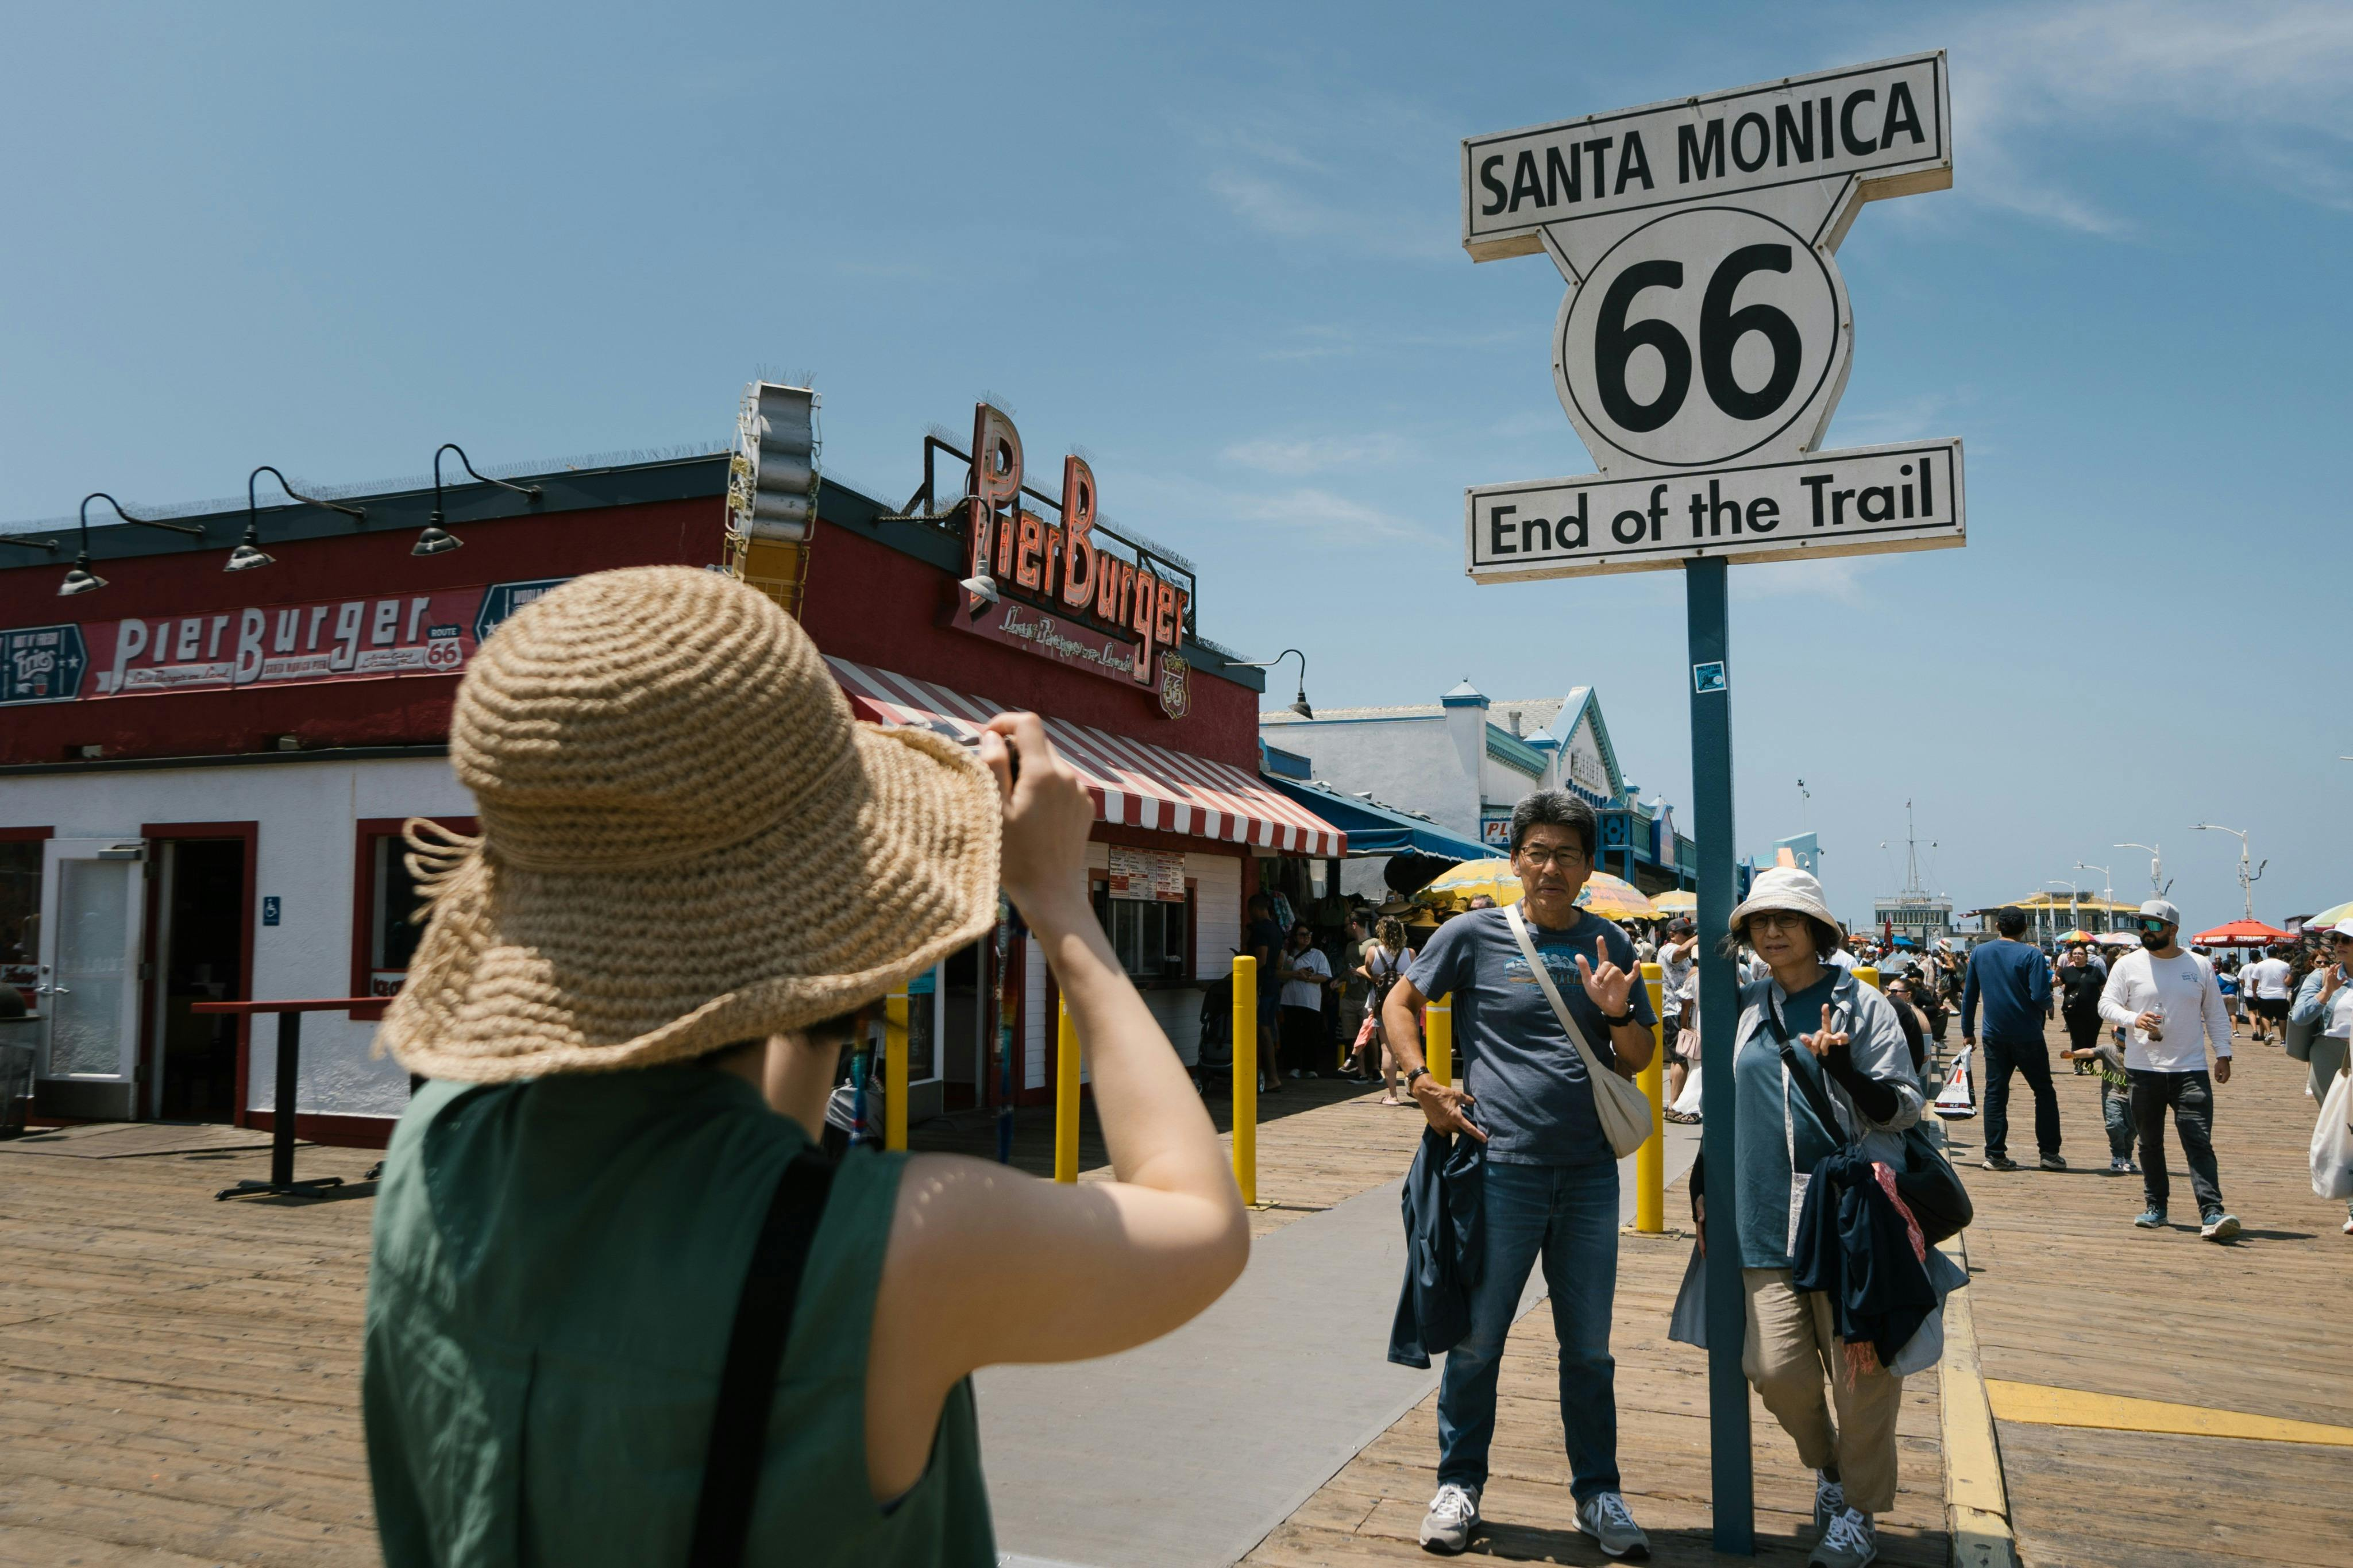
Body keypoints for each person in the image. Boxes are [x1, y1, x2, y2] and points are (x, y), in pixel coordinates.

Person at [361, 569, 1248, 1566]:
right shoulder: (906, 1247)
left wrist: (823, 980)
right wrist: (1062, 908)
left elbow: (750, 1164)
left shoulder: (437, 1147)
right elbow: (1202, 1226)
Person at [1380, 791, 1658, 1559]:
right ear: (1516, 860)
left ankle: (1598, 1494)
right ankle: (1458, 1483)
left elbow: (1638, 1058)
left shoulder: (1611, 944)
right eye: (1537, 851)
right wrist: (1423, 1080)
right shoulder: (1472, 935)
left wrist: (1613, 1011)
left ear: (1588, 868)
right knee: (1477, 1343)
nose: (1550, 866)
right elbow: (1402, 1001)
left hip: (1590, 1177)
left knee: (1589, 1349)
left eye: (1567, 854)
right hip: (1498, 1169)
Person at [1701, 868, 1924, 1568]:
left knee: (1863, 1379)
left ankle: (1858, 1509)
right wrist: (1703, 1190)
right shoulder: (1743, 1006)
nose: (1772, 932)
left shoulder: (1862, 1005)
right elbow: (1724, 1106)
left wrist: (1848, 1068)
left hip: (1847, 1223)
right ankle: (1830, 1471)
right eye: (1759, 922)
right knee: (1773, 1370)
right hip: (1763, 1220)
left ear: (1818, 931)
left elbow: (1904, 1106)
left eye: (1787, 921)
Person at [2097, 899, 2239, 1240]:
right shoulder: (2127, 965)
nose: (2146, 930)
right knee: (2149, 1142)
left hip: (2191, 1069)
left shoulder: (2200, 965)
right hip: (2143, 1069)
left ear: (2174, 930)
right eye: (2142, 925)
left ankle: (2212, 1211)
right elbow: (2106, 1005)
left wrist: (2224, 1054)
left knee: (2198, 1141)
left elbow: (2216, 1015)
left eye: (2155, 925)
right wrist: (2134, 1018)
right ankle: (2156, 1206)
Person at [1961, 907, 2062, 1173]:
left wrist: (1967, 1031)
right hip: (2028, 1034)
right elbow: (2040, 995)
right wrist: (2049, 1004)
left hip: (1993, 1035)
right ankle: (2049, 1154)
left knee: (1995, 1093)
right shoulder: (2032, 954)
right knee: (2044, 1092)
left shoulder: (1980, 953)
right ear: (2025, 928)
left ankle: (1995, 1155)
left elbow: (1969, 995)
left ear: (1998, 927)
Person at [2288, 918, 2353, 1235]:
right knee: (2343, 1131)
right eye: (2336, 939)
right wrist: (2327, 992)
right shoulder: (2320, 977)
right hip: (2331, 1058)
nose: (2339, 944)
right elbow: (2299, 1018)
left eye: (2347, 939)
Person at [1356, 916, 1415, 1104]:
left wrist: (1363, 972)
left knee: (1387, 1049)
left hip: (1381, 1005)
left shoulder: (1373, 952)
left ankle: (1392, 1096)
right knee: (1409, 1048)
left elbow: (1370, 973)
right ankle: (1412, 1084)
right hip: (1405, 1005)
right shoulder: (1411, 954)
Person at [1274, 921, 1337, 1079]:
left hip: (1310, 1000)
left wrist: (1307, 977)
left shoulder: (1317, 954)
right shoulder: (1287, 954)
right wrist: (1296, 974)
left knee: (1311, 1034)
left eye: (1309, 934)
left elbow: (1324, 976)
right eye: (1303, 935)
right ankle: (1293, 1067)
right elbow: (1278, 973)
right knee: (1291, 1034)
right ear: (1295, 937)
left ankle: (1310, 1068)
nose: (1306, 938)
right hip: (1290, 999)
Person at [1246, 893, 1287, 1095]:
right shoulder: (1277, 930)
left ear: (1255, 909)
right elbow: (1279, 961)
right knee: (1267, 1030)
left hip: (1261, 986)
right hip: (1273, 984)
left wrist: (1239, 972)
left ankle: (1272, 1077)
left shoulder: (1260, 929)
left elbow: (1260, 959)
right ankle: (1271, 1076)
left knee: (1262, 1031)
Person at [1660, 918, 1700, 1122]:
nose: (1689, 937)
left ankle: (1680, 1104)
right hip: (1673, 1011)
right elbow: (1681, 951)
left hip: (1683, 1012)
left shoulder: (1687, 957)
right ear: (1673, 935)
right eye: (1685, 933)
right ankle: (1674, 1105)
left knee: (1685, 1058)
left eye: (1690, 933)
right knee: (1681, 1059)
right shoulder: (1667, 950)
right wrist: (1700, 938)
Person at [2054, 944, 2107, 1077]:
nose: (2077, 956)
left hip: (2094, 1011)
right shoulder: (2066, 971)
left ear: (2086, 957)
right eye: (2075, 954)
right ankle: (2078, 1064)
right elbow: (2056, 984)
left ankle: (2089, 1063)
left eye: (2081, 954)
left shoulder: (2094, 971)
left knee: (2091, 1038)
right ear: (2071, 957)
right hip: (2073, 1012)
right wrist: (2054, 982)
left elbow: (2104, 988)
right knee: (2077, 1038)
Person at [2243, 944, 2293, 1045]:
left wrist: (2254, 993)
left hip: (2266, 995)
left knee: (2265, 1016)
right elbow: (2289, 980)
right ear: (2278, 954)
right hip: (2281, 995)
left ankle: (2269, 1033)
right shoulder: (2285, 965)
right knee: (2282, 1018)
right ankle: (2283, 1040)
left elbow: (2255, 981)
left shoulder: (2260, 965)